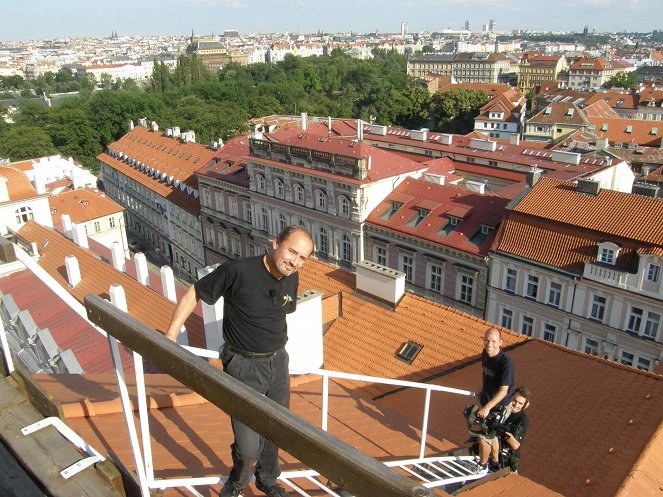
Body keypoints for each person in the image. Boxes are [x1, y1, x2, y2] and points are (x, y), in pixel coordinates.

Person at [165, 226, 314, 497]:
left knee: (277, 429)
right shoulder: (239, 270)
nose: (295, 261)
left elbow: (278, 312)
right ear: (275, 242)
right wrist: (171, 335)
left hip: (278, 363)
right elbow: (194, 293)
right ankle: (236, 483)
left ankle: (267, 479)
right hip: (244, 365)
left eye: (302, 257)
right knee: (248, 447)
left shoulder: (292, 278)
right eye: (292, 251)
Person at [472, 327, 515, 472]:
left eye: (493, 341)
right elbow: (488, 377)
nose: (489, 344)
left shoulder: (505, 363)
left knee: (483, 436)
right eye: (486, 340)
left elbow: (504, 391)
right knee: (492, 435)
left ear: (500, 343)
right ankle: (495, 463)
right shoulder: (485, 354)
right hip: (488, 401)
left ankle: (482, 465)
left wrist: (487, 407)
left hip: (500, 405)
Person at [497, 386, 530, 473]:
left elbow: (515, 445)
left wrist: (502, 431)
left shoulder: (523, 419)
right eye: (514, 400)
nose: (516, 405)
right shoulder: (501, 409)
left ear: (525, 405)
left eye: (520, 403)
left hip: (506, 459)